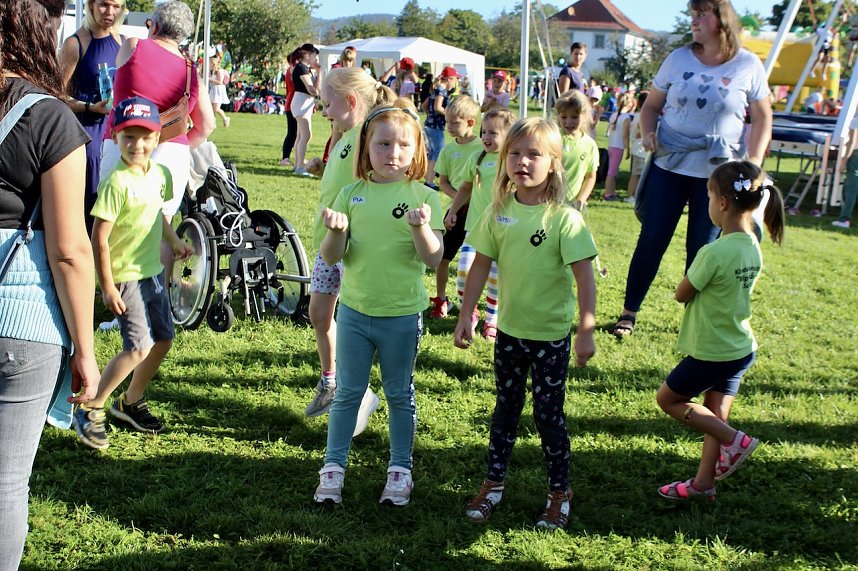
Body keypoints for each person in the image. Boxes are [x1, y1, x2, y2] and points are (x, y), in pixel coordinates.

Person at [453, 117, 597, 530]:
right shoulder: (499, 212)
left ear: (553, 163)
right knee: (506, 411)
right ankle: (493, 484)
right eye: (514, 153)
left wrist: (586, 329)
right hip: (510, 335)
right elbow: (480, 264)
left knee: (549, 416)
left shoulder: (565, 220)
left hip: (551, 339)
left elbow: (584, 276)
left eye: (534, 154)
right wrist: (467, 313)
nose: (522, 161)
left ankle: (559, 493)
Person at [1, 1, 100, 566]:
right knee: (5, 482)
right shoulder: (49, 117)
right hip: (21, 322)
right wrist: (85, 351)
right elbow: (69, 250)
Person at [610, 0, 772, 338]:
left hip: (718, 175)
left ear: (722, 20)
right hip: (670, 164)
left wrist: (754, 163)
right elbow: (651, 106)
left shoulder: (748, 65)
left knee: (704, 246)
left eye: (701, 15)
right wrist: (650, 130)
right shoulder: (678, 58)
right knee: (652, 239)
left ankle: (695, 317)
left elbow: (761, 118)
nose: (694, 22)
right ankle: (628, 312)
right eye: (692, 15)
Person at [313, 99, 444, 507]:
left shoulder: (424, 197)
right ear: (367, 147)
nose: (393, 153)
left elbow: (434, 258)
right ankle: (333, 468)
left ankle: (399, 471)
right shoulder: (351, 194)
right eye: (383, 145)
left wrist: (421, 228)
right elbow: (333, 257)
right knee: (348, 393)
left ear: (417, 151)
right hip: (353, 313)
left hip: (402, 315)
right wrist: (335, 231)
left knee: (399, 394)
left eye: (403, 145)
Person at [656, 160, 784, 502]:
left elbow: (682, 293)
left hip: (713, 350)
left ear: (722, 203)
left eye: (710, 197)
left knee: (668, 399)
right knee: (713, 415)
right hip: (740, 347)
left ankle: (735, 440)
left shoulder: (713, 251)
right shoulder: (752, 246)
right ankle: (703, 485)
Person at [73, 96, 194, 449]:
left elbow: (158, 214)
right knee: (138, 347)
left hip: (153, 272)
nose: (137, 145)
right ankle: (92, 407)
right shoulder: (116, 183)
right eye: (129, 137)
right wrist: (107, 286)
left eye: (145, 137)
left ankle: (128, 402)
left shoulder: (160, 174)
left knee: (164, 339)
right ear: (115, 138)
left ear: (157, 138)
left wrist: (173, 241)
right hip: (126, 276)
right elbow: (100, 237)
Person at [306, 67, 396, 431]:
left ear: (351, 101)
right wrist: (320, 168)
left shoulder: (368, 136)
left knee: (349, 323)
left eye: (328, 104)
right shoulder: (346, 135)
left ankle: (354, 392)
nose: (324, 111)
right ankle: (332, 380)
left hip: (352, 243)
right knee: (318, 310)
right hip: (329, 242)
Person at [99, 0, 215, 258]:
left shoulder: (132, 46)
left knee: (116, 220)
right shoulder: (190, 71)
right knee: (162, 228)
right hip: (171, 154)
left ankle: (118, 290)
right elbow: (207, 125)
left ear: (155, 26)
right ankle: (158, 295)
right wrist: (168, 143)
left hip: (122, 145)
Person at [444, 109, 517, 340]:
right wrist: (453, 211)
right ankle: (470, 311)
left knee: (495, 278)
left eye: (493, 133)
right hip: (474, 229)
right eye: (484, 132)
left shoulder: (511, 161)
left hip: (502, 231)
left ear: (509, 135)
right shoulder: (477, 158)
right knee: (464, 271)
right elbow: (465, 188)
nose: (486, 137)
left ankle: (492, 318)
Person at [61, 0, 127, 232]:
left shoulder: (123, 42)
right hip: (86, 136)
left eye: (116, 6)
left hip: (118, 135)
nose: (110, 12)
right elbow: (57, 97)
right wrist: (89, 107)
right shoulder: (75, 43)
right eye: (104, 5)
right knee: (89, 206)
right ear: (90, 5)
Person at [429, 96, 483, 320]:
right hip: (457, 211)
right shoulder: (448, 151)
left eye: (454, 123)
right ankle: (441, 299)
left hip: (482, 212)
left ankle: (475, 305)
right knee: (443, 257)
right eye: (447, 122)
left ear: (470, 122)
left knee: (476, 262)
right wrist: (459, 200)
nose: (449, 127)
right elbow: (443, 183)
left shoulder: (484, 147)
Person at [555, 91, 599, 209]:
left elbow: (590, 176)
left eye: (574, 117)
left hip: (572, 206)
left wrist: (581, 199)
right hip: (547, 201)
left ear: (584, 116)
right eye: (564, 117)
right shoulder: (552, 138)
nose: (568, 122)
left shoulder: (590, 145)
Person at [422, 66, 459, 187]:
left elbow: (424, 106)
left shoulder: (435, 89)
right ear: (450, 79)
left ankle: (428, 177)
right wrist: (449, 115)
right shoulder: (441, 91)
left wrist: (430, 115)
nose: (456, 83)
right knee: (437, 153)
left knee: (432, 152)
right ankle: (430, 181)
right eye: (455, 80)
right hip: (436, 127)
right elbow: (438, 107)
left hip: (429, 124)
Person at [291, 43, 321, 177]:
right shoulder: (302, 68)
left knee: (300, 136)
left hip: (303, 102)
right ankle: (299, 167)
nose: (316, 60)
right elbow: (312, 89)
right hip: (302, 103)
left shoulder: (303, 68)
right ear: (308, 54)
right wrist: (320, 73)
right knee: (305, 135)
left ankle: (297, 164)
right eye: (315, 56)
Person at [603, 91, 635, 201]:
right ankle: (608, 194)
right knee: (611, 172)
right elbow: (625, 135)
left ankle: (611, 191)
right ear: (629, 104)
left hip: (611, 146)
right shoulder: (626, 118)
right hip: (618, 147)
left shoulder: (614, 115)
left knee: (612, 171)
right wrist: (628, 149)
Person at [832, 114, 858, 228]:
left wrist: (843, 161)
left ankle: (844, 219)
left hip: (856, 156)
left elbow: (851, 143)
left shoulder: (855, 121)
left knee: (851, 189)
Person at [627, 90, 650, 204]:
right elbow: (639, 133)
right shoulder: (643, 116)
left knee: (636, 174)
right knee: (636, 174)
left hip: (637, 148)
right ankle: (631, 196)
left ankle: (633, 195)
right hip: (640, 149)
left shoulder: (637, 115)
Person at [279, 51, 299, 167]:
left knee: (295, 132)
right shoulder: (292, 71)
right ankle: (285, 157)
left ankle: (293, 156)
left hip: (290, 101)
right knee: (292, 132)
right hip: (292, 102)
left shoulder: (290, 70)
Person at [207, 54, 230, 128]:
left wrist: (210, 80)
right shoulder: (212, 71)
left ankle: (225, 118)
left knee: (216, 108)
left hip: (219, 90)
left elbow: (220, 82)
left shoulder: (219, 71)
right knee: (212, 108)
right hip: (213, 89)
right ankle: (213, 123)